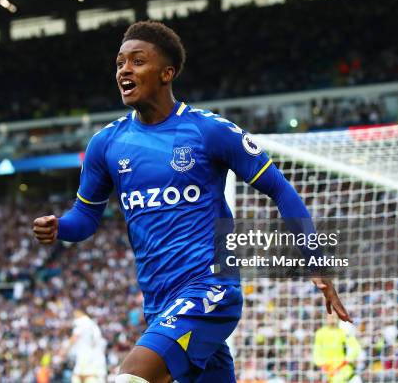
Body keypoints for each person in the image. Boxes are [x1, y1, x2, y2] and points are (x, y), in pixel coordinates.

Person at [33, 20, 352, 383]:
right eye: (120, 62)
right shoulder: (105, 144)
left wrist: (314, 260)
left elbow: (281, 190)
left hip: (210, 289)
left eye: (137, 61)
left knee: (132, 377)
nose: (124, 69)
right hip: (159, 304)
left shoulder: (209, 131)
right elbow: (85, 219)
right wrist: (60, 226)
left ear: (166, 72)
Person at [59, 309, 108, 383]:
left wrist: (64, 350)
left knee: (78, 378)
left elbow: (75, 336)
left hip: (86, 357)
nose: (74, 316)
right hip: (97, 358)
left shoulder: (82, 321)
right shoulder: (93, 324)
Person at [313, 313, 362, 383]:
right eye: (330, 317)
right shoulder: (320, 333)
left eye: (334, 317)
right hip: (331, 373)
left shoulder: (343, 331)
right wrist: (325, 365)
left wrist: (346, 361)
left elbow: (356, 348)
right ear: (326, 319)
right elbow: (316, 354)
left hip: (347, 372)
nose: (332, 319)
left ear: (338, 319)